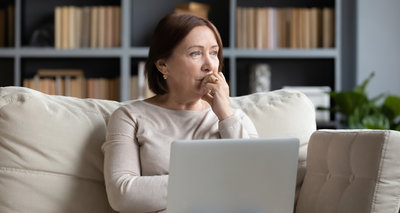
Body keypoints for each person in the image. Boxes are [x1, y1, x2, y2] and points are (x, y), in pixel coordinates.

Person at [102, 13, 259, 213]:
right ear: (163, 65)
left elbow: (255, 187)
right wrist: (221, 182)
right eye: (195, 53)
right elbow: (122, 195)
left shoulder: (234, 118)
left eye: (213, 53)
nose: (210, 65)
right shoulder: (128, 117)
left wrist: (225, 115)